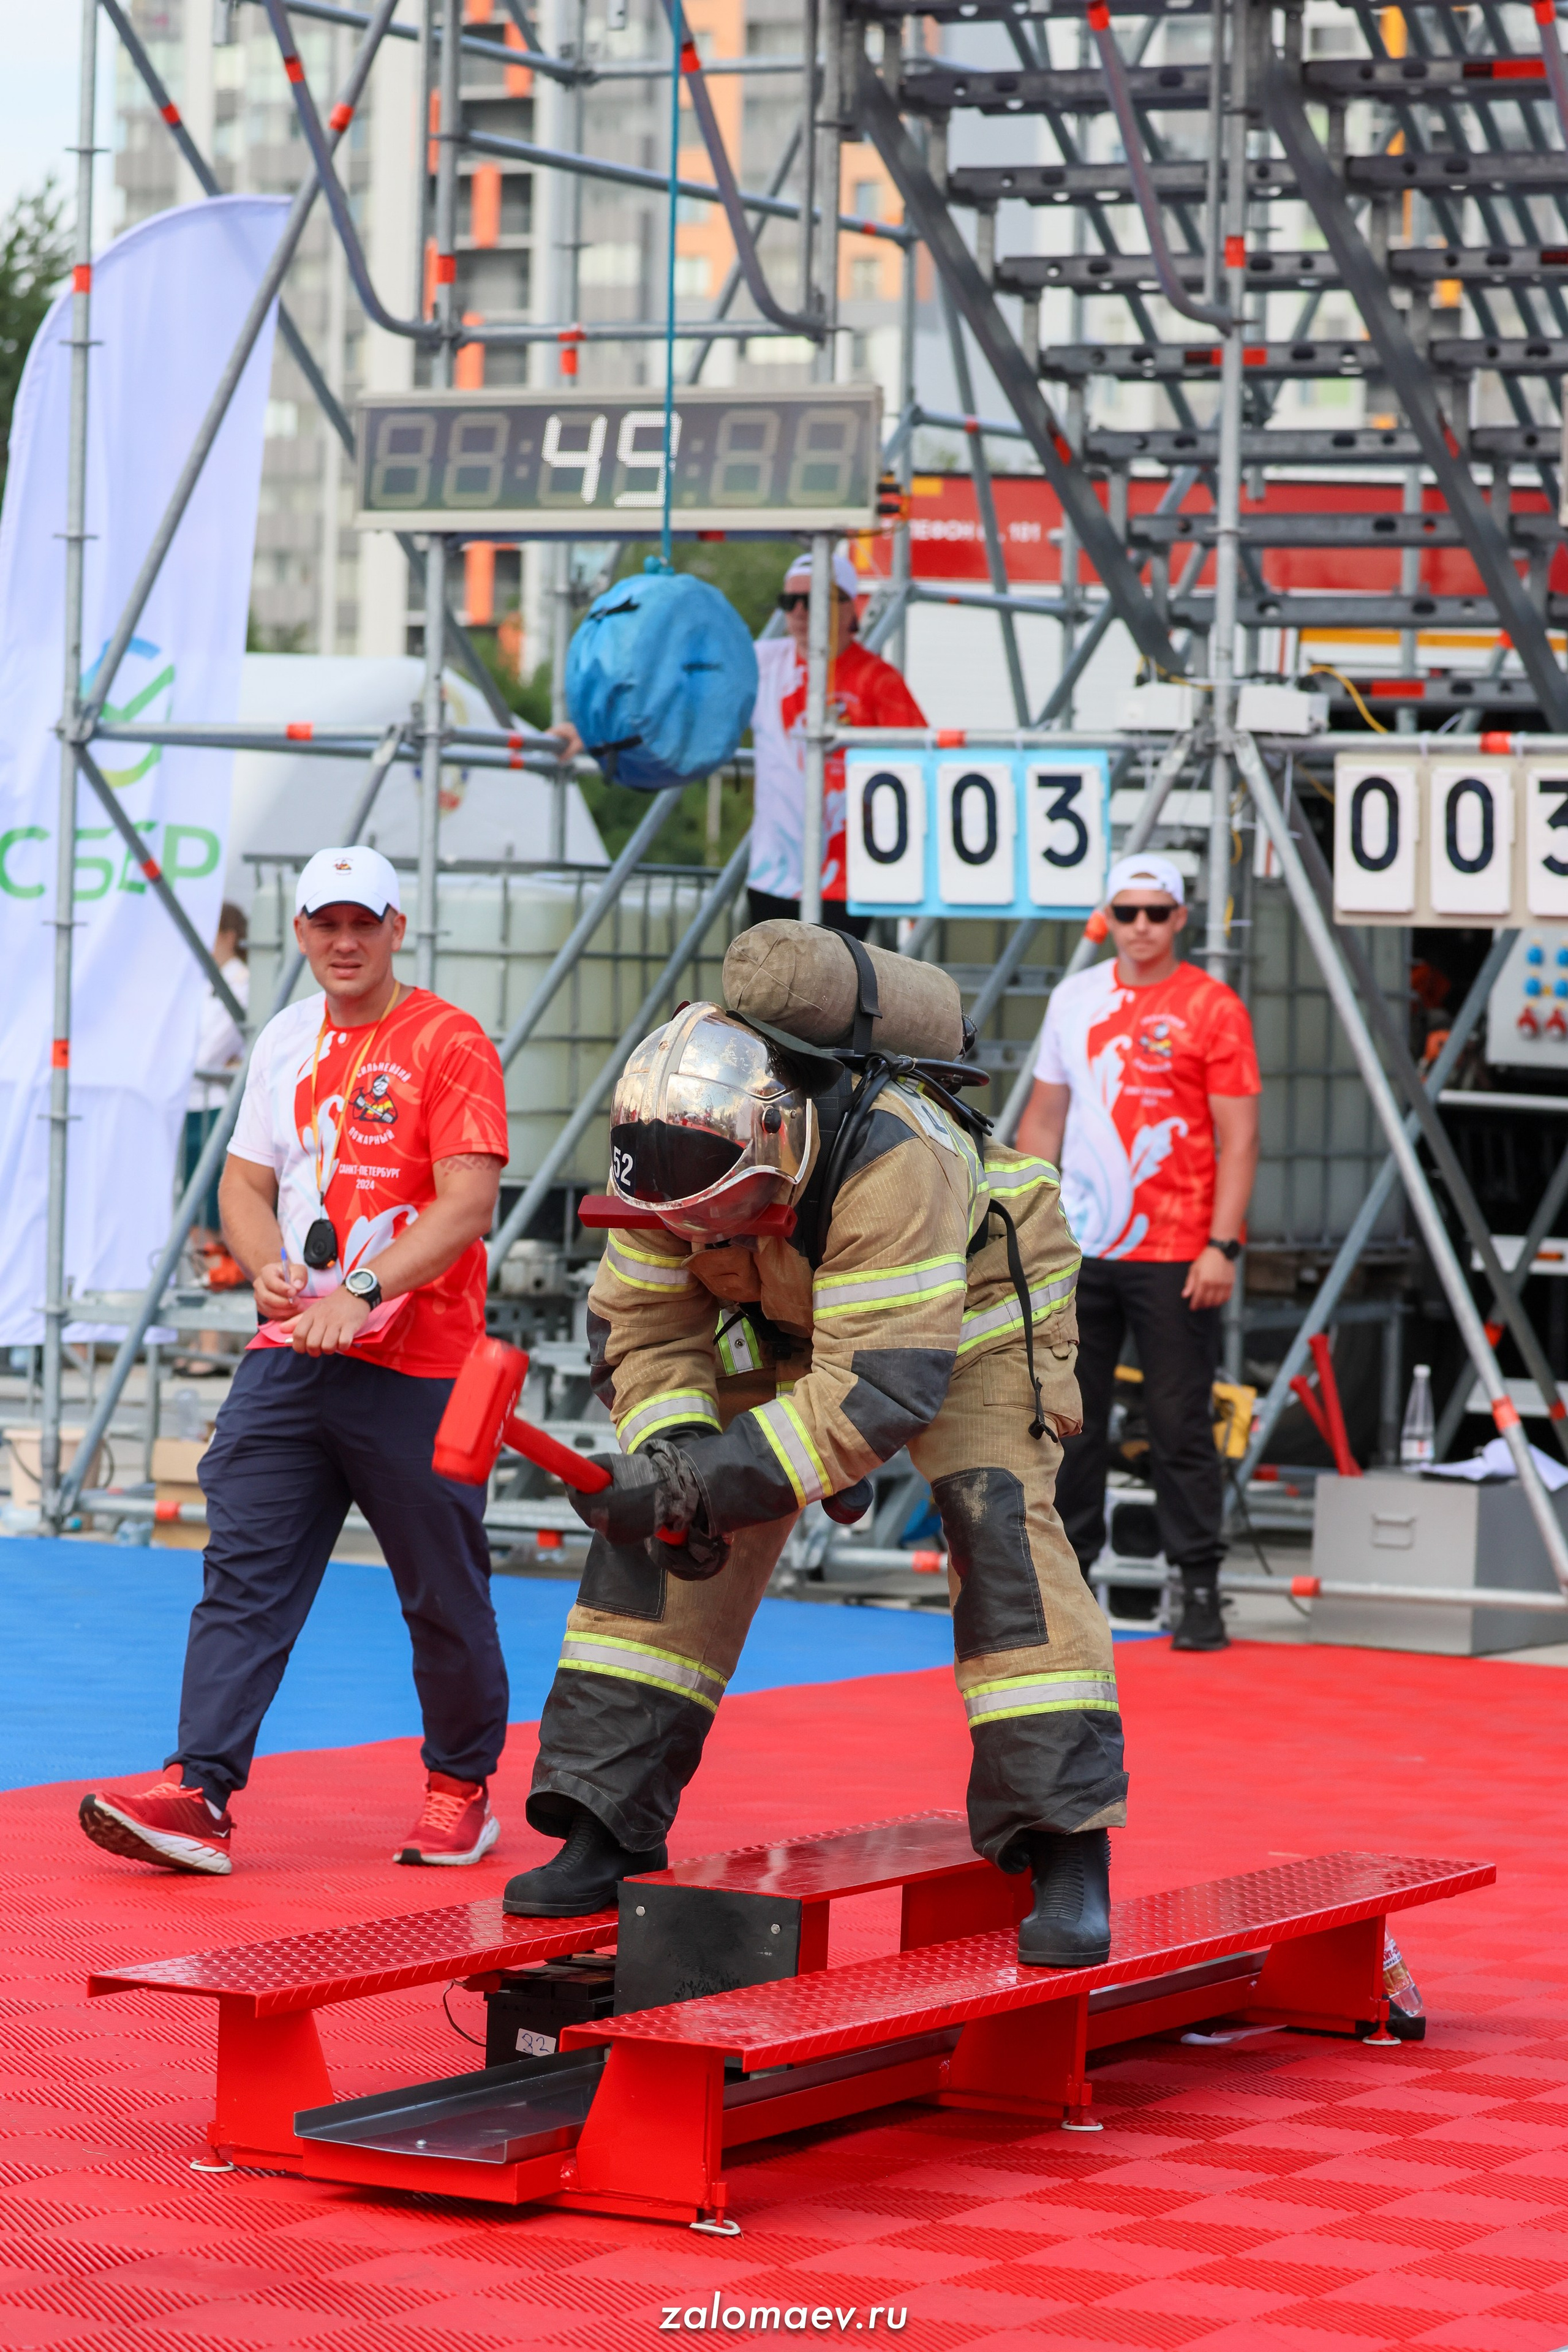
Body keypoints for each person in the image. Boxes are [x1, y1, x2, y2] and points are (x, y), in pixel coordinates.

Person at [498, 954, 1127, 1970]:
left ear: (781, 1143)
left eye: (714, 1212)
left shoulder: (897, 1159)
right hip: (780, 1314)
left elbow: (875, 1394)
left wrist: (715, 1475)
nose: (685, 1233)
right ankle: (607, 1822)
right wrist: (671, 1461)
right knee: (664, 1536)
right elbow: (648, 1329)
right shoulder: (667, 1155)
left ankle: (1066, 1847)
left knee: (996, 1530)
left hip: (968, 1319)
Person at [77, 846, 514, 1876]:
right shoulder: (283, 1038)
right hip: (294, 1352)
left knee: (440, 1587)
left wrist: (363, 1293)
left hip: (421, 1360)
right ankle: (200, 1792)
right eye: (326, 923)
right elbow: (242, 1182)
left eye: (365, 922)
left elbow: (468, 1201)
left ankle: (460, 1788)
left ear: (398, 928)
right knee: (243, 1575)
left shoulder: (447, 1040)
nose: (345, 940)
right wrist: (268, 1266)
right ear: (303, 932)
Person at [1014, 853, 1261, 1653]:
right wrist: (1027, 1226)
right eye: (1128, 912)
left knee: (1179, 1422)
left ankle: (1199, 1588)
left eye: (1157, 912)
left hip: (1177, 1248)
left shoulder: (1213, 1006)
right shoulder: (1073, 998)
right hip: (1080, 1250)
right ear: (1109, 918)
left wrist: (1223, 1244)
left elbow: (1240, 1136)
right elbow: (1043, 1120)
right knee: (1066, 1419)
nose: (1143, 926)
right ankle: (1070, 1582)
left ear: (1181, 919)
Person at [747, 545, 927, 938]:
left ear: (849, 608)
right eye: (789, 601)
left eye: (811, 600)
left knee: (829, 998)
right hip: (772, 872)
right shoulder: (761, 663)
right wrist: (591, 737)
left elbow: (921, 766)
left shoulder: (878, 680)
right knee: (762, 994)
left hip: (848, 878)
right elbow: (686, 705)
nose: (797, 612)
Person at [178, 902, 251, 1370]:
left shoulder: (239, 985)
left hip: (215, 1114)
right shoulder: (202, 986)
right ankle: (211, 1340)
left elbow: (200, 1051)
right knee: (199, 1228)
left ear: (227, 936)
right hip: (192, 1110)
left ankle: (213, 1343)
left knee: (217, 1226)